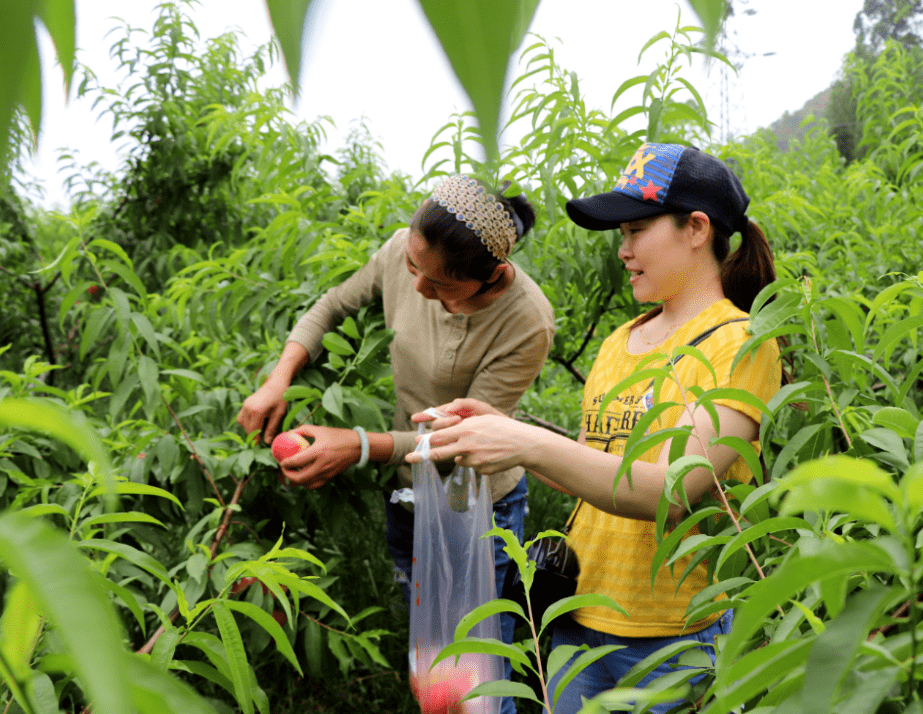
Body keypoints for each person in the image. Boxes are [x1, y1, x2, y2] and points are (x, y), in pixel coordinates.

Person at [408, 143, 782, 714]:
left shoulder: (739, 343)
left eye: (635, 231)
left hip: (670, 637)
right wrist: (497, 430)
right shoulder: (619, 342)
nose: (624, 251)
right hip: (576, 624)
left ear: (696, 228)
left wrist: (526, 442)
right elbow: (588, 472)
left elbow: (670, 491)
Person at [237, 174, 555, 714]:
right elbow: (331, 306)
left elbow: (467, 441)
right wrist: (279, 377)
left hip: (482, 505)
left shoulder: (526, 320)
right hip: (410, 495)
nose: (418, 289)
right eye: (412, 266)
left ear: (492, 277)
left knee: (477, 673)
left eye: (440, 285)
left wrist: (359, 446)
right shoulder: (402, 255)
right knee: (434, 669)